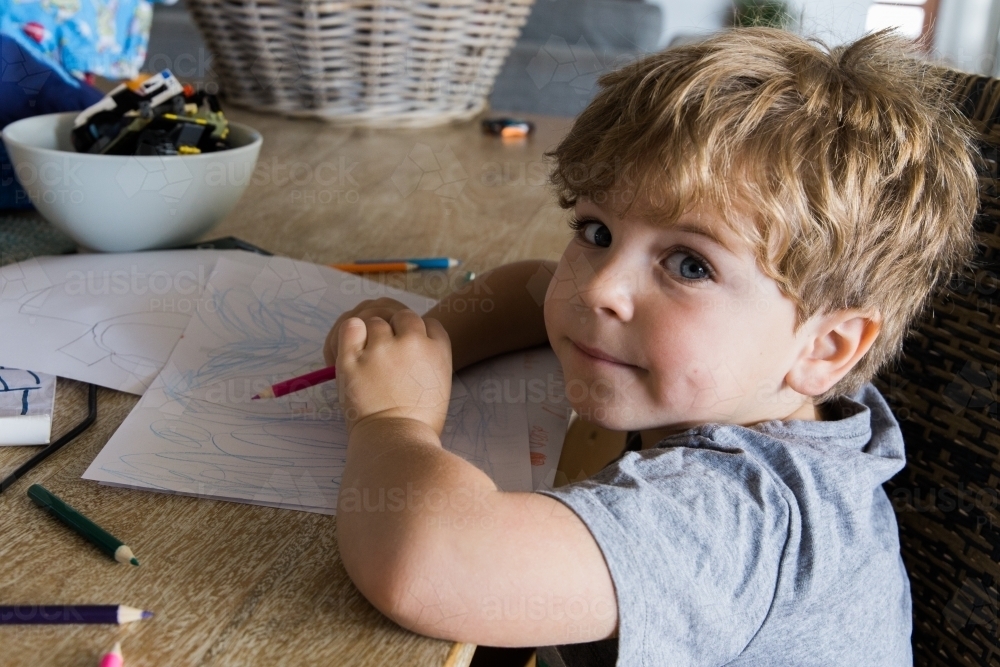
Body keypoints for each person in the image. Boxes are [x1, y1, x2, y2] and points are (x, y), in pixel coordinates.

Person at [324, 27, 978, 666]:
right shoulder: (779, 371)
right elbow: (533, 284)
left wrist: (394, 418)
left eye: (689, 265)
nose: (603, 286)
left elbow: (431, 562)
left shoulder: (740, 514)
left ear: (828, 345)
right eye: (598, 230)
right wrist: (428, 343)